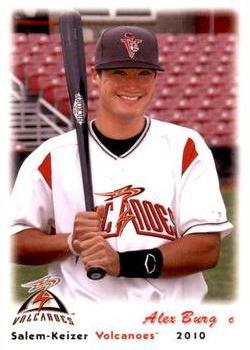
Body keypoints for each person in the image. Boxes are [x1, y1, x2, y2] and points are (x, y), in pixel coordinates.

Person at [10, 25, 233, 303]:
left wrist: (122, 263)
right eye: (119, 73)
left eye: (143, 73)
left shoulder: (185, 146)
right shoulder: (52, 156)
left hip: (168, 324)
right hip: (83, 325)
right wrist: (69, 242)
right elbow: (14, 242)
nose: (132, 85)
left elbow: (206, 249)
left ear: (155, 78)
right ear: (94, 75)